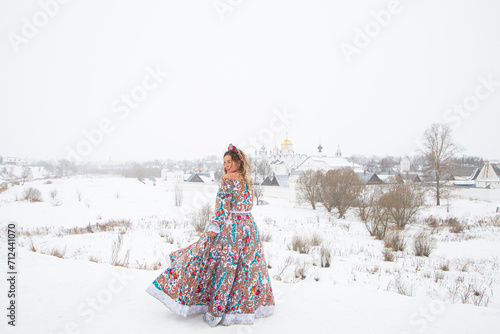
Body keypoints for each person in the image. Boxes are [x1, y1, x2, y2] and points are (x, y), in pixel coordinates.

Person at [145, 143, 275, 326]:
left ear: (238, 162)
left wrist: (214, 227)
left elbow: (222, 208)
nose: (226, 166)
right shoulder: (248, 180)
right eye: (224, 162)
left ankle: (218, 311)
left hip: (232, 230)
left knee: (225, 267)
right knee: (247, 269)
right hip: (249, 229)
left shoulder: (227, 180)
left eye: (229, 162)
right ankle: (246, 308)